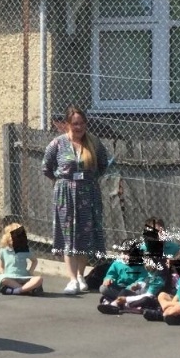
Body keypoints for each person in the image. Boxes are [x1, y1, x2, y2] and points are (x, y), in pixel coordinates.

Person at [41, 105, 114, 295]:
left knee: (85, 235)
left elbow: (103, 165)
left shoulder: (94, 143)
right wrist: (61, 182)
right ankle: (72, 279)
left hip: (88, 193)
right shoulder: (57, 144)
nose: (79, 127)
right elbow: (46, 168)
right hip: (65, 194)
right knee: (68, 236)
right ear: (67, 125)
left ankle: (81, 276)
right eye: (75, 123)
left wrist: (88, 180)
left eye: (82, 123)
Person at [0, 222, 43, 295]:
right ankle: (27, 289)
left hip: (24, 277)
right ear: (9, 238)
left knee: (39, 279)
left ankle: (18, 290)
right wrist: (3, 273)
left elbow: (34, 261)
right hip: (10, 277)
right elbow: (1, 267)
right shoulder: (4, 251)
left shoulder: (24, 250)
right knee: (4, 279)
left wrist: (30, 271)